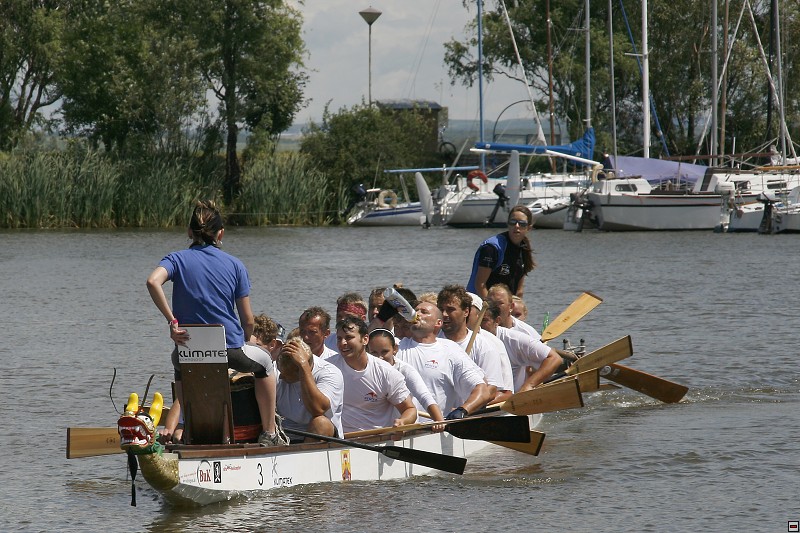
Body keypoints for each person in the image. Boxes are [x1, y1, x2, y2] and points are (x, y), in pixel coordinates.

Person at [145, 200, 287, 447]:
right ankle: (269, 432)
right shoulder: (235, 265)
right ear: (220, 234)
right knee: (265, 362)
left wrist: (172, 322)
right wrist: (246, 340)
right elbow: (248, 320)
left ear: (189, 231)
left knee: (179, 365)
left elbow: (152, 282)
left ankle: (189, 428)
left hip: (188, 351)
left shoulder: (176, 259)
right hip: (229, 349)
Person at [395, 301, 492, 419]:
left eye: (424, 312)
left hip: (436, 426)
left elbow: (482, 391)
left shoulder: (450, 350)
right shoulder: (395, 347)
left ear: (438, 323)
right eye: (416, 311)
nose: (417, 314)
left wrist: (462, 410)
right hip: (398, 426)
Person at [328, 317, 417, 432]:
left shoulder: (387, 372)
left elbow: (410, 409)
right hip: (339, 438)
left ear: (365, 339)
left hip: (377, 438)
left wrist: (402, 422)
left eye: (349, 337)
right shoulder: (328, 368)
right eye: (339, 338)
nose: (342, 343)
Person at [436, 285, 507, 402]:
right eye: (441, 309)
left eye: (450, 309)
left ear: (466, 312)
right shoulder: (430, 341)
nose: (444, 314)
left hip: (465, 411)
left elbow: (490, 390)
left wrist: (464, 408)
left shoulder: (485, 346)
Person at [480, 301, 562, 392]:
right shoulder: (471, 338)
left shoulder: (513, 339)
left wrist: (529, 385)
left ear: (497, 321)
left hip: (511, 396)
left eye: (483, 320)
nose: (478, 325)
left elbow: (554, 358)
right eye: (476, 320)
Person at [368, 328, 445, 423]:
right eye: (374, 353)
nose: (380, 357)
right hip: (375, 429)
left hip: (404, 428)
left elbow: (425, 396)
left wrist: (440, 421)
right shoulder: (361, 371)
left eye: (384, 352)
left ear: (395, 349)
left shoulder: (405, 370)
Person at [276, 336, 344, 441]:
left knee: (321, 423)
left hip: (316, 434)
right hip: (284, 435)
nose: (281, 377)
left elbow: (318, 409)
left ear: (300, 371)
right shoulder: (276, 369)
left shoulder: (330, 373)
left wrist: (304, 366)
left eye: (286, 374)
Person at [467, 205, 536, 298]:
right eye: (513, 222)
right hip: (481, 301)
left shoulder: (524, 248)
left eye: (522, 223)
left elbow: (519, 291)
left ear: (529, 227)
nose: (517, 226)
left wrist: (515, 305)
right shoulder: (492, 248)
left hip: (505, 303)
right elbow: (480, 285)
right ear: (508, 224)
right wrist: (490, 306)